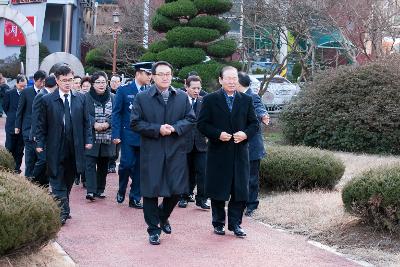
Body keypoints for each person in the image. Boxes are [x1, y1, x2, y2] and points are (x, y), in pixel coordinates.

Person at [131, 61, 195, 245]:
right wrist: (157, 129)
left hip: (176, 150)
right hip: (152, 150)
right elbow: (135, 123)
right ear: (152, 76)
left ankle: (163, 215)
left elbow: (190, 119)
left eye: (168, 74)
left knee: (177, 189)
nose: (165, 77)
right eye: (161, 74)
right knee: (151, 191)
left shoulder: (182, 97)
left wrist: (174, 128)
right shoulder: (142, 98)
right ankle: (153, 229)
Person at [197, 66, 259, 237]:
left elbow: (254, 124)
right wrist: (218, 134)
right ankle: (218, 223)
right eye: (228, 78)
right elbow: (201, 124)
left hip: (240, 152)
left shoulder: (246, 100)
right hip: (218, 152)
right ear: (220, 80)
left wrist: (245, 134)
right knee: (218, 190)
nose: (232, 81)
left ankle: (235, 224)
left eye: (234, 78)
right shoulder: (210, 99)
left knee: (240, 190)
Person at [36, 65, 92, 225]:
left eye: (70, 80)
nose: (67, 83)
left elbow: (86, 122)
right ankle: (62, 211)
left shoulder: (81, 98)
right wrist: (40, 143)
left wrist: (88, 140)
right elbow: (41, 125)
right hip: (55, 146)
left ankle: (62, 204)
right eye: (64, 80)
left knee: (68, 179)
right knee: (56, 177)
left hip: (75, 146)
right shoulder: (47, 100)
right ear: (57, 81)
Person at [112, 62, 153, 209]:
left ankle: (135, 197)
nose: (150, 76)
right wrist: (115, 134)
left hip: (145, 136)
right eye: (147, 74)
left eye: (151, 74)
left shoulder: (151, 91)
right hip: (128, 134)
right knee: (126, 165)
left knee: (140, 169)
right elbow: (116, 113)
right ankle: (122, 188)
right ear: (138, 74)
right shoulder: (124, 90)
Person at [237, 72, 270, 217]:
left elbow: (260, 108)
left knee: (252, 177)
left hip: (252, 145)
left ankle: (251, 205)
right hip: (238, 144)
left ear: (239, 83)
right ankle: (241, 202)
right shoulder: (234, 97)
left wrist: (263, 116)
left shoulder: (252, 96)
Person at [177, 75, 209, 210]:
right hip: (184, 142)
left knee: (203, 171)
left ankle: (202, 199)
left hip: (202, 143)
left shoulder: (204, 102)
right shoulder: (179, 102)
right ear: (186, 87)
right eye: (194, 88)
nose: (197, 91)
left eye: (199, 88)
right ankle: (184, 196)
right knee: (185, 171)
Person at [84, 72, 115, 200]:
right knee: (90, 163)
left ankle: (100, 189)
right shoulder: (85, 97)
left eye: (103, 82)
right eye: (98, 82)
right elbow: (82, 113)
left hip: (108, 136)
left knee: (103, 164)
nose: (101, 85)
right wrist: (93, 123)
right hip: (91, 135)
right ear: (92, 84)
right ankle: (90, 191)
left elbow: (117, 113)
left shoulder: (113, 97)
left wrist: (108, 123)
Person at [15, 70, 47, 178]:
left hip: (41, 131)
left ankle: (38, 180)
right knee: (29, 157)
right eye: (40, 81)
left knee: (41, 158)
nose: (42, 84)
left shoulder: (46, 93)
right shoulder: (26, 92)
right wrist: (17, 126)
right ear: (34, 80)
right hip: (27, 129)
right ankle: (28, 180)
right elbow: (20, 110)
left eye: (44, 81)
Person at [30, 75, 58, 187]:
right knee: (43, 160)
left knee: (47, 160)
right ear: (55, 85)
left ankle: (44, 184)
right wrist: (37, 135)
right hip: (39, 135)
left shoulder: (46, 95)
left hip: (46, 135)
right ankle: (31, 182)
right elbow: (36, 117)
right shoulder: (42, 96)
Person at [2, 75, 26, 174]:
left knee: (20, 149)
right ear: (16, 84)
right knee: (10, 147)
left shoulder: (26, 93)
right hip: (11, 125)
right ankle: (8, 167)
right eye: (21, 86)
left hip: (22, 126)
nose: (23, 88)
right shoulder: (9, 93)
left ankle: (16, 168)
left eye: (24, 86)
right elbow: (5, 106)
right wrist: (12, 116)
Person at [108, 74, 122, 173]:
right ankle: (109, 164)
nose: (114, 83)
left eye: (117, 81)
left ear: (120, 83)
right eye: (113, 81)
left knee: (117, 146)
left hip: (119, 122)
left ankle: (112, 163)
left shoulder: (122, 93)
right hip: (108, 122)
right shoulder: (106, 93)